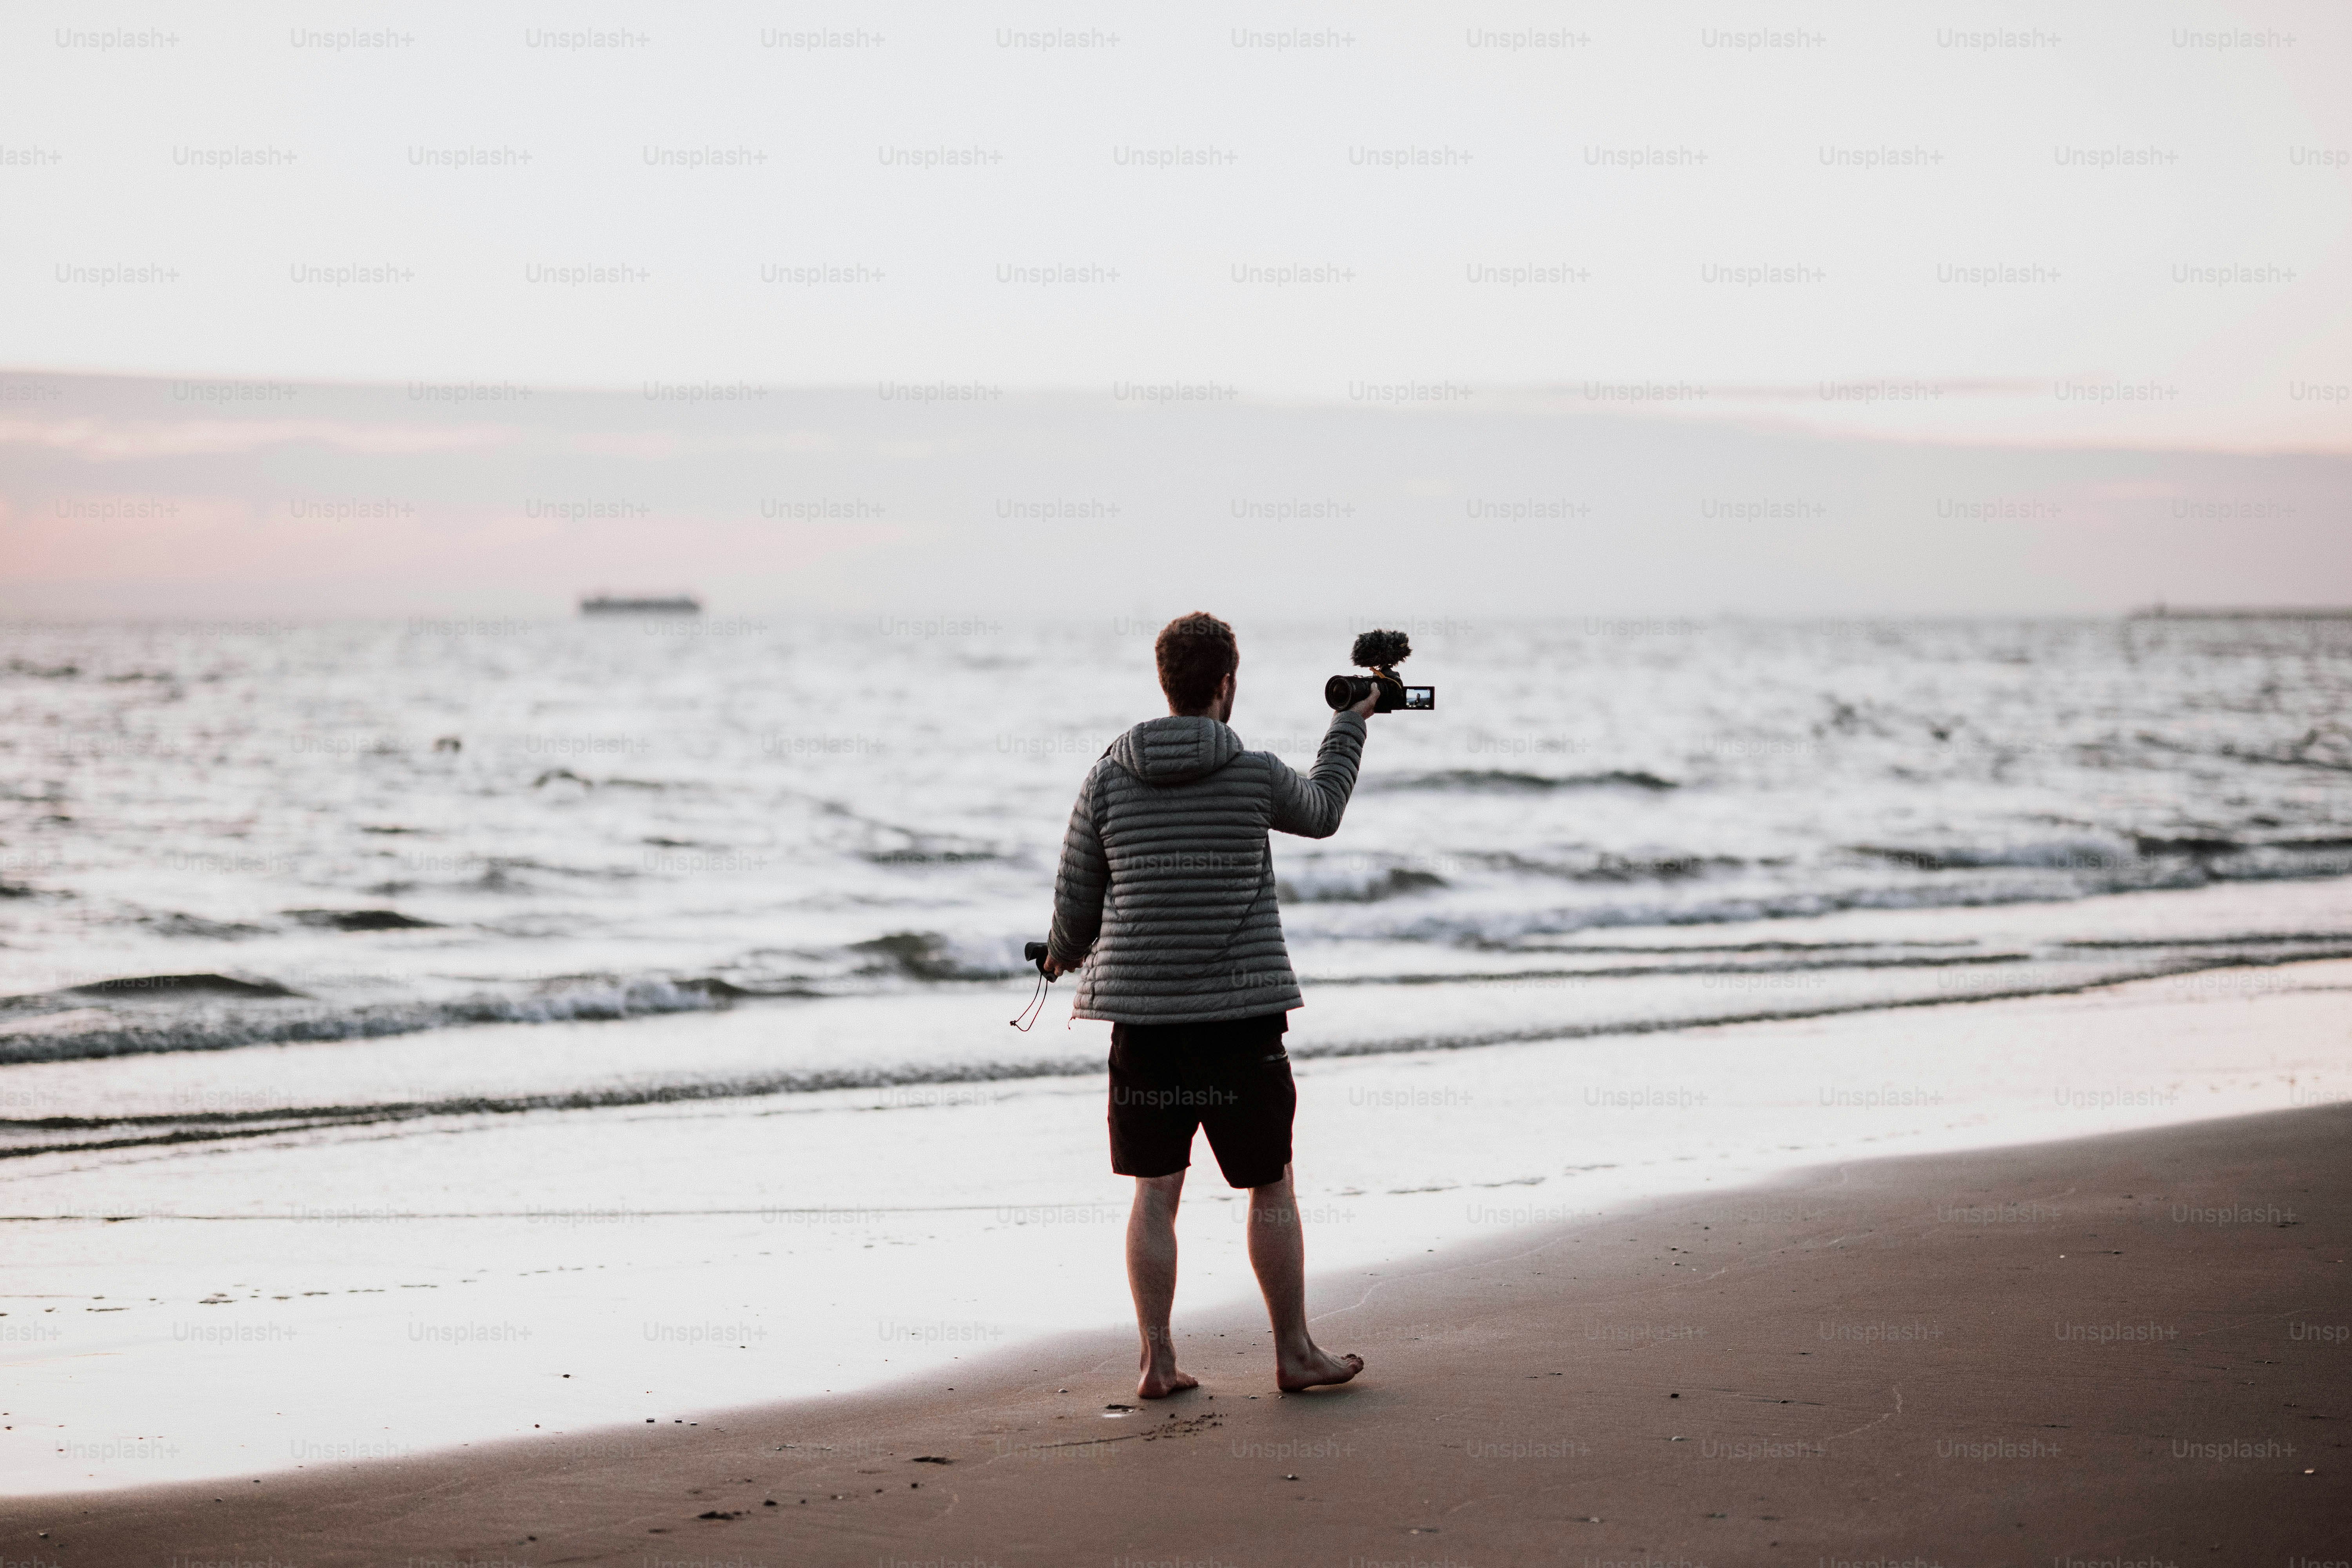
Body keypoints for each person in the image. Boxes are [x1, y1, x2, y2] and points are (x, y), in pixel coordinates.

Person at [1044, 612, 1379, 1399]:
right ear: (1227, 682)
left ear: (1167, 680)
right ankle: (1294, 1351)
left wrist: (1059, 954)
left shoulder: (1107, 776)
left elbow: (1075, 899)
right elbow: (1326, 808)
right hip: (1241, 1020)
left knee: (1156, 1189)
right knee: (1270, 1182)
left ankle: (1157, 1361)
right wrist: (1349, 721)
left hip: (1145, 1023)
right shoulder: (1254, 772)